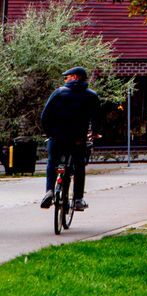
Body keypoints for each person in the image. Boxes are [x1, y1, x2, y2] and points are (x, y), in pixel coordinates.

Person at [39, 67, 101, 211]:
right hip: (78, 139)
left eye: (67, 77)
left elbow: (45, 116)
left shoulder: (59, 93)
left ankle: (49, 191)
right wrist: (95, 132)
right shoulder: (91, 95)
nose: (65, 80)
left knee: (52, 161)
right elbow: (97, 118)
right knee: (79, 165)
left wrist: (49, 133)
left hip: (57, 137)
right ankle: (78, 199)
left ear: (75, 77)